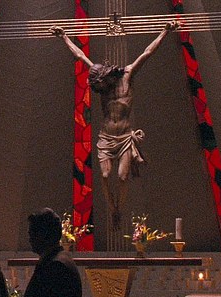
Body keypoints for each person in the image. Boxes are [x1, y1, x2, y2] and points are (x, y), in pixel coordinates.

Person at [51, 21, 179, 228]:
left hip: (125, 137)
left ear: (106, 77)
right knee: (104, 174)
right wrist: (64, 37)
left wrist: (165, 31)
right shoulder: (101, 83)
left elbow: (147, 53)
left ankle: (119, 209)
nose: (99, 88)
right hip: (106, 137)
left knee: (122, 176)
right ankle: (113, 209)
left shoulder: (128, 74)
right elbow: (80, 56)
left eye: (100, 84)